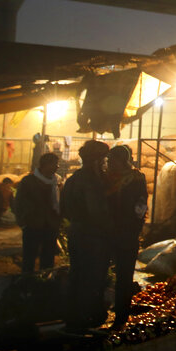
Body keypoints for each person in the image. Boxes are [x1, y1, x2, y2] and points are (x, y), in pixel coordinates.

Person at [61, 140, 110, 332]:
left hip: (76, 232)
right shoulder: (91, 181)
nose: (105, 164)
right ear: (97, 160)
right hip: (92, 236)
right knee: (93, 276)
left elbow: (63, 209)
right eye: (103, 160)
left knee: (77, 274)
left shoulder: (73, 179)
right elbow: (96, 212)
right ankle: (89, 316)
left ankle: (73, 316)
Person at [104, 145, 148, 330]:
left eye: (112, 160)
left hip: (127, 233)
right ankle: (100, 311)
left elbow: (141, 205)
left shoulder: (136, 178)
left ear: (122, 160)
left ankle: (121, 317)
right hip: (105, 233)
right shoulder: (104, 178)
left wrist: (134, 228)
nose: (109, 163)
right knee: (102, 274)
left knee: (124, 276)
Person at [14, 153, 61, 273]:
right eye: (55, 164)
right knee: (29, 258)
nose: (57, 167)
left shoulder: (56, 182)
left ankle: (43, 283)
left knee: (48, 258)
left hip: (50, 225)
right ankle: (27, 283)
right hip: (32, 225)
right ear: (45, 165)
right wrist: (22, 221)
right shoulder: (28, 181)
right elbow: (18, 203)